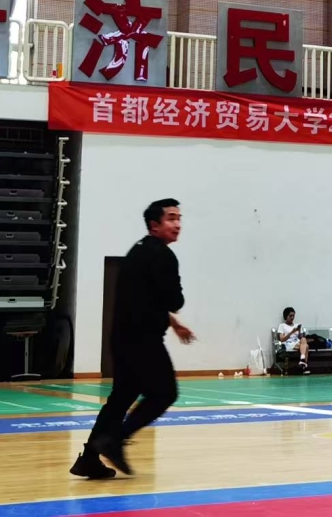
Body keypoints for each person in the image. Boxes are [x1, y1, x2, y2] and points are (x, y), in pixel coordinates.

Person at [71, 198, 195, 480]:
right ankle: (116, 439)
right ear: (154, 224)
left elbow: (146, 299)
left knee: (121, 398)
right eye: (171, 218)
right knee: (165, 393)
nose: (177, 224)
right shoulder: (163, 256)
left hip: (122, 338)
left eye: (179, 218)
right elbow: (174, 300)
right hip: (143, 340)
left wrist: (173, 324)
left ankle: (89, 459)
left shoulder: (136, 251)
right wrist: (174, 310)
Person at [277, 307, 309, 373]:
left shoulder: (296, 325)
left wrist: (299, 331)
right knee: (306, 346)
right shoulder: (282, 326)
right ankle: (304, 367)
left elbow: (301, 338)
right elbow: (282, 339)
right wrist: (292, 332)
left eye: (293, 316)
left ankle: (302, 360)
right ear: (286, 316)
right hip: (289, 344)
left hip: (298, 342)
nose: (292, 317)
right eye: (290, 316)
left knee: (304, 339)